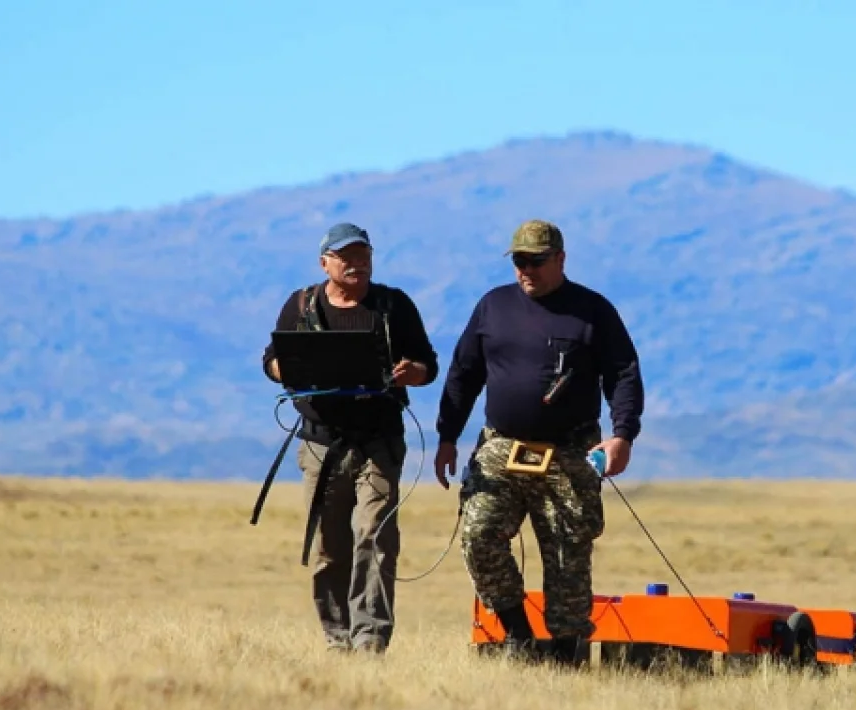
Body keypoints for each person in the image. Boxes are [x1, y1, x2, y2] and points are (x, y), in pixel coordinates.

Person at [433, 219, 645, 666]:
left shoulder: (592, 311)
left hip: (568, 451)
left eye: (535, 261)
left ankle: (567, 658)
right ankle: (518, 635)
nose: (525, 270)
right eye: (518, 261)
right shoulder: (493, 307)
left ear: (560, 259)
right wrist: (447, 436)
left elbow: (623, 373)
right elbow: (463, 373)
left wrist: (622, 434)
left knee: (568, 555)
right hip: (501, 447)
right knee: (478, 535)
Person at [261, 222, 439, 655]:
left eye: (364, 255)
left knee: (375, 534)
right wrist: (291, 371)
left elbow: (428, 365)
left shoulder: (393, 307)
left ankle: (370, 640)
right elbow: (270, 360)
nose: (357, 264)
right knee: (327, 545)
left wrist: (412, 373)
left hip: (378, 440)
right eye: (346, 257)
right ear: (325, 263)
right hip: (320, 443)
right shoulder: (301, 305)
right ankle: (337, 638)